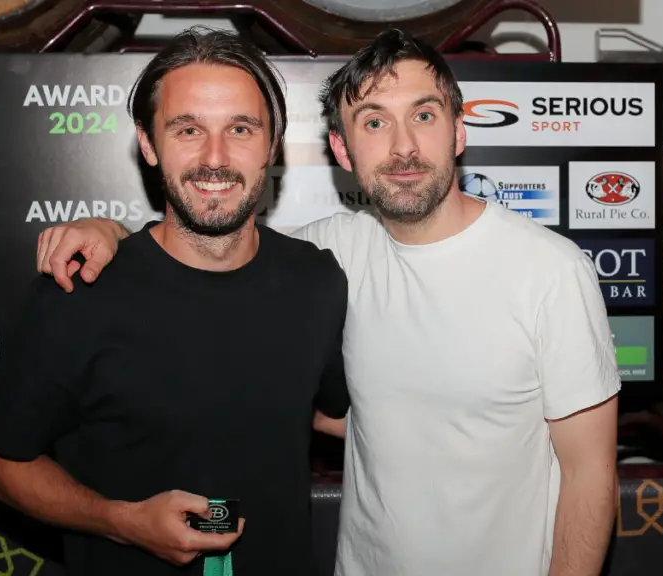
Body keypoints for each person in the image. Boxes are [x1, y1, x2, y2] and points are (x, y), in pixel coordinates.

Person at [34, 29, 621, 576]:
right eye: (374, 122)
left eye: (424, 114)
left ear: (459, 131)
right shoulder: (326, 255)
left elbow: (591, 474)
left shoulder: (550, 270)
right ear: (342, 150)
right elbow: (207, 237)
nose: (404, 146)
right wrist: (110, 231)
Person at [0, 27, 351, 576]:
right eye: (188, 129)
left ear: (272, 145)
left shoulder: (316, 280)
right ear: (149, 144)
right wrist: (120, 520)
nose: (215, 157)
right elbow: (4, 465)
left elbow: (331, 414)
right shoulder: (79, 291)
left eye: (241, 129)